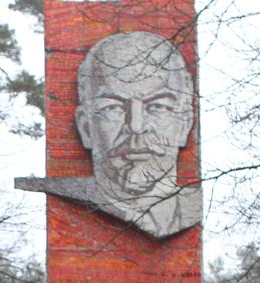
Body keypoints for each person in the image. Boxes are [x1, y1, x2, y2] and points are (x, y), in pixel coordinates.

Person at [19, 30, 200, 238]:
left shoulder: (195, 206)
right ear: (86, 127)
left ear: (185, 124)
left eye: (157, 106)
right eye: (113, 108)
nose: (136, 126)